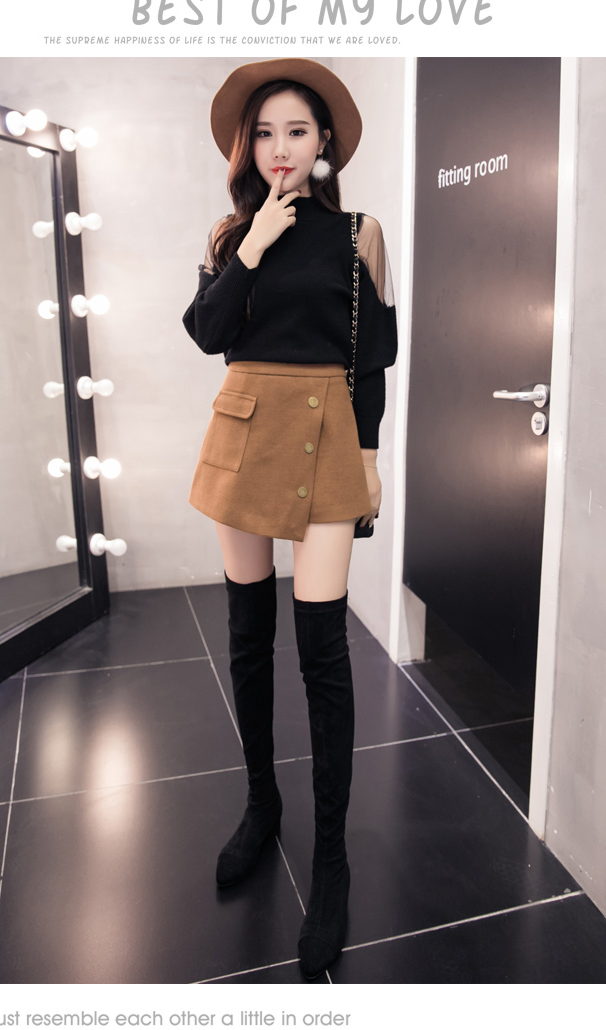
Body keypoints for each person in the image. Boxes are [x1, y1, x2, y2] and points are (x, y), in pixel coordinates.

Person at [182, 58, 398, 980]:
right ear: (248, 145)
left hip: (326, 432)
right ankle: (260, 803)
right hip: (242, 426)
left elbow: (373, 357)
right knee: (246, 634)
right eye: (265, 133)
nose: (280, 149)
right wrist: (254, 245)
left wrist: (372, 456)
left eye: (297, 132)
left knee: (322, 650)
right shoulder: (229, 232)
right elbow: (208, 333)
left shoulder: (359, 233)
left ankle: (332, 860)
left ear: (324, 143)